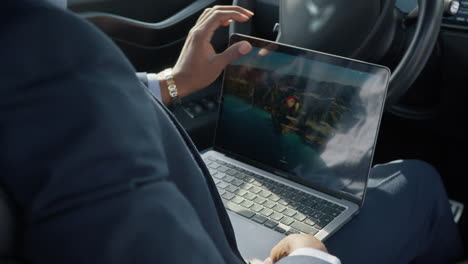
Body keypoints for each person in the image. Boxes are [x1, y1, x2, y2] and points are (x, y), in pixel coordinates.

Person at [0, 0, 464, 263]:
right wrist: (307, 256)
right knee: (419, 182)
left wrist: (169, 84)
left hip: (202, 209)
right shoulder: (43, 59)